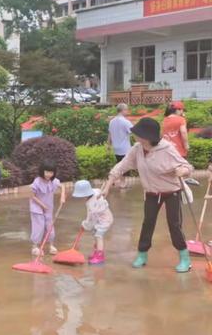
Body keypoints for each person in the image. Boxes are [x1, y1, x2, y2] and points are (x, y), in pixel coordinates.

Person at [103, 118, 194, 273]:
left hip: (171, 192)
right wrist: (108, 185)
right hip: (151, 193)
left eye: (138, 133)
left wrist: (182, 171)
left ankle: (184, 257)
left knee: (174, 225)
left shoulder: (167, 149)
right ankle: (142, 254)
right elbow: (122, 165)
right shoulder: (137, 149)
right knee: (148, 223)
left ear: (147, 136)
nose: (135, 136)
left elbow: (187, 166)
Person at [72, 180, 113, 265]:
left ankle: (100, 256)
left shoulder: (91, 204)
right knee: (95, 234)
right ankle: (96, 252)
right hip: (100, 219)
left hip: (105, 221)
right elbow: (99, 190)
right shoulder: (95, 192)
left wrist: (85, 225)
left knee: (98, 236)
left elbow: (90, 219)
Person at [29, 161, 66, 256]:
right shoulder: (37, 182)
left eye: (51, 172)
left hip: (48, 207)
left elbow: (62, 186)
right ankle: (35, 247)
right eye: (47, 172)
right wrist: (42, 205)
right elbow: (32, 196)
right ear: (42, 171)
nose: (49, 174)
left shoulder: (53, 181)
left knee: (50, 225)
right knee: (39, 226)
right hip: (37, 207)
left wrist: (62, 196)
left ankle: (51, 245)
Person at [108, 103, 133, 189]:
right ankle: (122, 183)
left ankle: (116, 180)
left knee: (119, 164)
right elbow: (133, 131)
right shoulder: (125, 122)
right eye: (127, 110)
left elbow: (110, 134)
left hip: (116, 147)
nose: (128, 111)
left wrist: (109, 145)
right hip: (125, 148)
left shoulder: (112, 121)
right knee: (124, 166)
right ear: (123, 110)